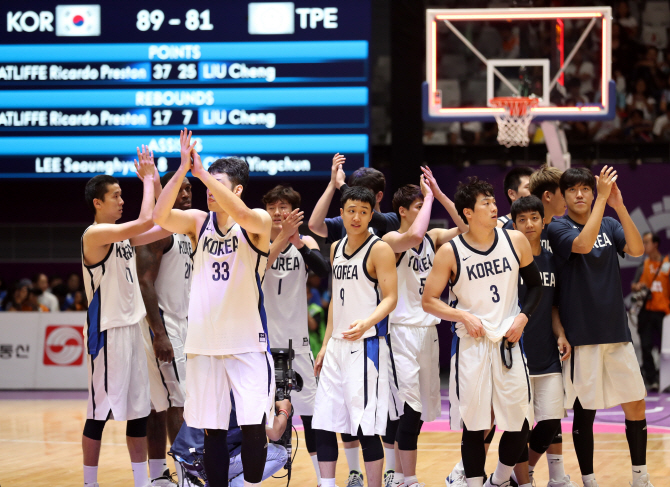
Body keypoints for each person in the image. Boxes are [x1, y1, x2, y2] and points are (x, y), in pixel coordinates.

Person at [153, 129, 274, 487]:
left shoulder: (258, 222)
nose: (207, 190)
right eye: (206, 183)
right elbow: (160, 215)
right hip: (204, 344)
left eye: (217, 184)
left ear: (236, 190)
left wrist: (204, 173)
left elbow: (247, 217)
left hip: (247, 343)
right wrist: (182, 170)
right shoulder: (197, 223)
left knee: (253, 428)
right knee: (212, 432)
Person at [422, 176, 542, 487]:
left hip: (508, 343)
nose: (494, 207)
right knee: (475, 426)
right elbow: (429, 301)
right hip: (472, 347)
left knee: (519, 424)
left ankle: (499, 480)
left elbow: (534, 285)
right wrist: (461, 315)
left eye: (493, 201)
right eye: (485, 203)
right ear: (468, 213)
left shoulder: (515, 240)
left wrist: (523, 317)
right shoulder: (450, 252)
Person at [547, 167, 650, 487]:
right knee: (585, 409)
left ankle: (640, 478)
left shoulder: (609, 222)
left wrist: (618, 206)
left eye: (586, 189)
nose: (580, 194)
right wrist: (604, 199)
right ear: (563, 196)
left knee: (636, 401)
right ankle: (589, 480)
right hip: (583, 335)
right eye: (573, 189)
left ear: (592, 193)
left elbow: (637, 250)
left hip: (616, 331)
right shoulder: (557, 227)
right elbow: (582, 244)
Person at [80, 146, 170, 487]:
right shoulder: (95, 235)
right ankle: (90, 482)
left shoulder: (122, 239)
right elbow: (146, 219)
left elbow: (159, 226)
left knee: (138, 411)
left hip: (134, 331)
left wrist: (158, 184)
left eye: (122, 195)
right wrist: (147, 180)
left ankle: (141, 481)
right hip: (109, 333)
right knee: (98, 413)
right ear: (97, 203)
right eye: (115, 196)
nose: (121, 201)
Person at [381, 171, 465, 487]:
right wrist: (428, 195)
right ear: (402, 210)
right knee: (408, 408)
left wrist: (440, 195)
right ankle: (409, 479)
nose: (425, 212)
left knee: (419, 412)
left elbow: (469, 230)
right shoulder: (391, 241)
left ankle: (401, 477)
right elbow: (414, 237)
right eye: (418, 206)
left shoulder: (434, 238)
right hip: (401, 330)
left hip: (428, 332)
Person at [313, 186, 398, 487]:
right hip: (337, 346)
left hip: (367, 346)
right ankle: (327, 484)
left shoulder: (380, 249)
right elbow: (336, 297)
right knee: (324, 422)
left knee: (365, 428)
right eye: (351, 211)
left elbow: (391, 298)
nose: (357, 217)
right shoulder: (335, 248)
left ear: (371, 214)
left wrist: (367, 322)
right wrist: (324, 344)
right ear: (342, 213)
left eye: (364, 211)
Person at [261, 184, 331, 486]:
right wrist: (278, 238)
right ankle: (260, 474)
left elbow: (323, 270)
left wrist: (298, 241)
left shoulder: (307, 243)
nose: (278, 212)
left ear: (295, 212)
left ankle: (322, 479)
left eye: (284, 207)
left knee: (312, 415)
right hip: (260, 345)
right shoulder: (256, 241)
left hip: (297, 345)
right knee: (263, 416)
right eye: (273, 207)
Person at [509, 196, 576, 487]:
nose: (528, 224)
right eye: (522, 219)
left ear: (543, 220)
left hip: (547, 352)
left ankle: (517, 473)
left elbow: (551, 306)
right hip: (516, 355)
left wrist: (560, 333)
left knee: (549, 423)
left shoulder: (551, 259)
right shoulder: (508, 260)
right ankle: (523, 482)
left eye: (534, 218)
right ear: (513, 224)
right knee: (520, 426)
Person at [136, 171, 194, 487]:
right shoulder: (159, 231)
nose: (185, 193)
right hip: (164, 325)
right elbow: (144, 280)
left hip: (185, 324)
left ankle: (159, 476)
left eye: (188, 188)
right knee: (177, 400)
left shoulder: (188, 230)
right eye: (179, 188)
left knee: (161, 404)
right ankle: (185, 474)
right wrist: (159, 332)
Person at [170, 394, 292, 487]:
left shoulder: (218, 377)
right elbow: (275, 433)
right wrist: (284, 410)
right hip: (206, 459)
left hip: (185, 457)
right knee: (280, 454)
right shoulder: (251, 388)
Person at [309, 154, 400, 243]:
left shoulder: (393, 220)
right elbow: (315, 225)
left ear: (378, 196)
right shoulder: (344, 223)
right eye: (354, 192)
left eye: (364, 193)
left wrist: (341, 184)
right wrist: (332, 184)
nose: (359, 196)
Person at [631, 232, 670, 391]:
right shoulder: (644, 264)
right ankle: (652, 379)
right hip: (646, 311)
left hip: (664, 312)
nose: (644, 245)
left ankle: (667, 380)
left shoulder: (667, 264)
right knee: (646, 346)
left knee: (666, 349)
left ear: (655, 244)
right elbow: (634, 285)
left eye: (646, 242)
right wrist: (638, 287)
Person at [528, 165, 566, 253]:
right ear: (548, 196)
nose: (567, 197)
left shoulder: (559, 228)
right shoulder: (522, 228)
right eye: (563, 192)